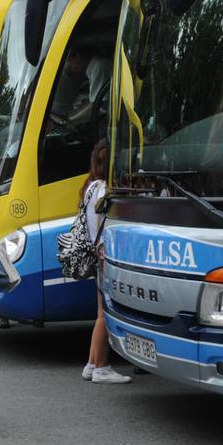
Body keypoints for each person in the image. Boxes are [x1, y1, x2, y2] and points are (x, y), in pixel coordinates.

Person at [80, 140, 130, 385]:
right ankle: (101, 367)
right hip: (105, 254)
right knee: (104, 313)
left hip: (94, 251)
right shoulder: (105, 191)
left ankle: (92, 363)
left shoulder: (90, 187)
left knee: (99, 311)